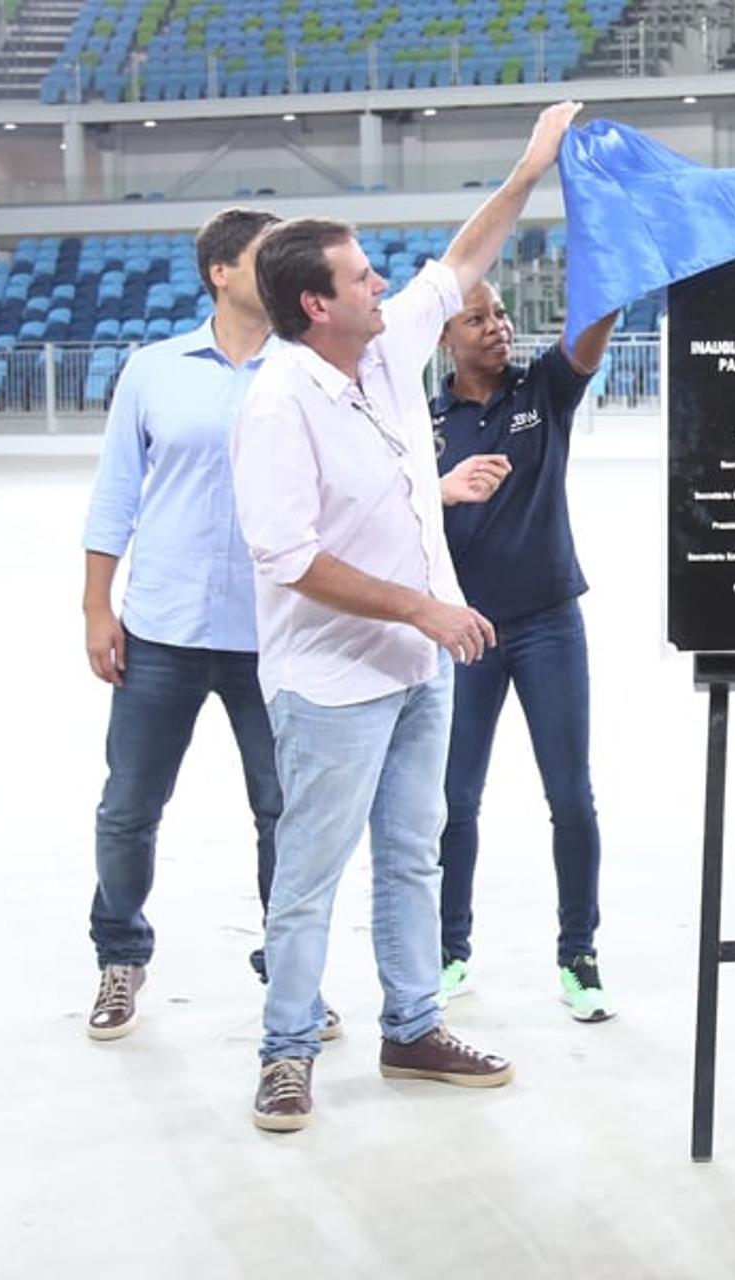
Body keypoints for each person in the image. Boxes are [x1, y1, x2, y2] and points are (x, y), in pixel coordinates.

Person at [231, 101, 582, 1133]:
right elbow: (287, 554)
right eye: (361, 277)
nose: (382, 283)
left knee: (410, 853)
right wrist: (426, 606)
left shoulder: (381, 356)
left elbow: (463, 256)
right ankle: (287, 1046)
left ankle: (413, 1021)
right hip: (334, 680)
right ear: (314, 303)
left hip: (412, 669)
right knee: (309, 874)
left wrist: (529, 167)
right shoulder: (277, 403)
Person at [78, 206, 330, 1040]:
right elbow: (117, 495)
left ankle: (288, 976)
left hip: (274, 637)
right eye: (266, 259)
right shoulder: (154, 371)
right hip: (162, 631)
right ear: (221, 272)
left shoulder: (306, 371)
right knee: (129, 807)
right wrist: (95, 608)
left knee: (283, 813)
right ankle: (120, 956)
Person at [431, 281, 619, 1020]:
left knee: (570, 796)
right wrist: (439, 491)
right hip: (463, 633)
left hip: (548, 625)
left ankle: (579, 953)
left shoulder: (541, 390)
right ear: (445, 337)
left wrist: (606, 263)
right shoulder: (425, 426)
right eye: (476, 319)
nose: (496, 328)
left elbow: (594, 327)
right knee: (453, 802)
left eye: (501, 313)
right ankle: (448, 951)